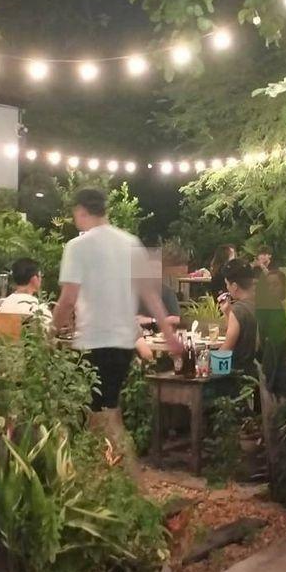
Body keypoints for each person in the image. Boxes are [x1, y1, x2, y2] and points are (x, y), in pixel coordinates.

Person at [53, 188, 181, 468]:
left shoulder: (77, 247)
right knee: (106, 409)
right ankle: (107, 472)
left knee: (100, 413)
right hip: (124, 343)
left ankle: (124, 474)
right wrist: (169, 335)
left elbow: (68, 298)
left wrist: (51, 330)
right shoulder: (130, 243)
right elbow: (150, 294)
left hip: (93, 341)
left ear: (81, 211)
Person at [222, 258, 260, 375]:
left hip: (240, 375)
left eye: (227, 284)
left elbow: (226, 351)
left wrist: (205, 362)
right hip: (261, 373)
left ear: (234, 286)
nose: (227, 288)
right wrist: (227, 313)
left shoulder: (239, 310)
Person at [0, 257, 52, 326]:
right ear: (34, 279)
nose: (41, 279)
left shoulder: (5, 304)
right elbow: (50, 329)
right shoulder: (37, 308)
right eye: (41, 276)